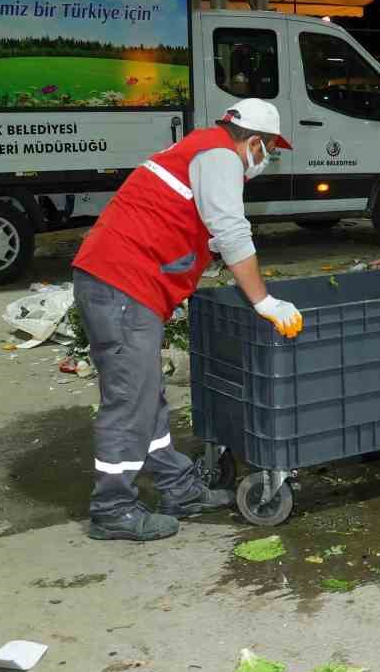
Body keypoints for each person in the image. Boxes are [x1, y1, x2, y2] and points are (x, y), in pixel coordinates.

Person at [72, 99, 305, 541]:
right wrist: (264, 302)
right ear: (254, 142)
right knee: (129, 403)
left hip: (120, 284)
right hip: (121, 286)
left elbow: (183, 225)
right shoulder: (219, 157)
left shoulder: (200, 149)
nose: (267, 160)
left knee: (145, 395)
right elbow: (232, 231)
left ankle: (178, 488)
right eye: (269, 150)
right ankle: (113, 508)